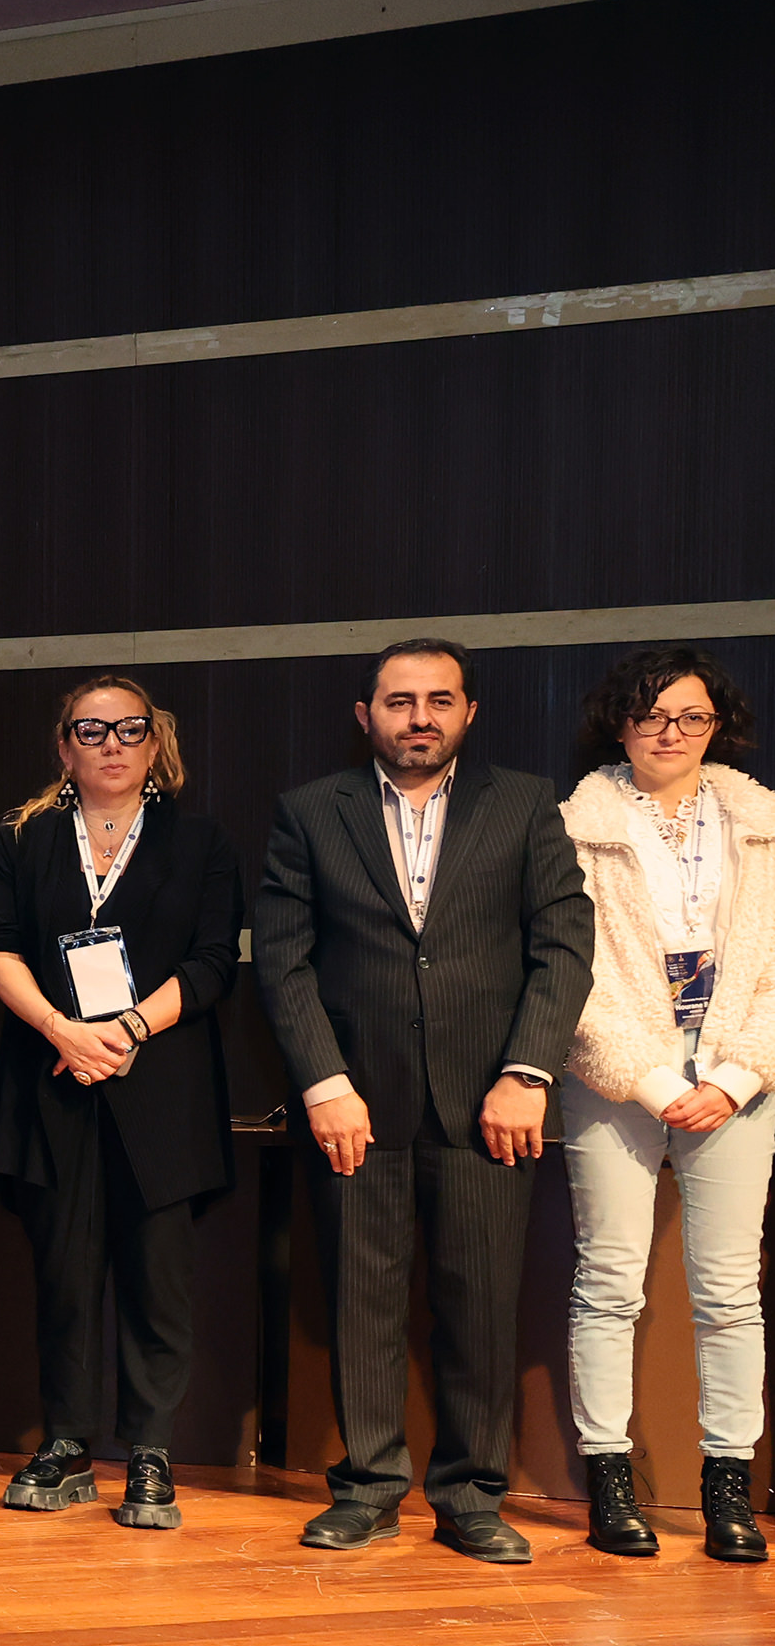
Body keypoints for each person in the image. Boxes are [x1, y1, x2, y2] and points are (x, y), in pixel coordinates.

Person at [252, 639, 595, 1565]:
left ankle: (472, 1497)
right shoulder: (309, 812)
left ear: (468, 712)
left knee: (479, 1306)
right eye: (400, 701)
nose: (420, 718)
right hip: (354, 1103)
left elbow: (564, 945)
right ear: (366, 714)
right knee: (359, 1304)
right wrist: (325, 1083)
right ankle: (367, 1489)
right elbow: (283, 958)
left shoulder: (524, 804)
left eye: (440, 700)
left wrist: (528, 1073)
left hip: (491, 1105)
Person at [0, 676, 242, 1530]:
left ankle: (151, 1448)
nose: (113, 744)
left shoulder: (198, 841)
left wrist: (124, 1029)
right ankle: (66, 1441)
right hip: (53, 1079)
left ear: (155, 742)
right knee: (63, 1276)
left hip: (160, 1087)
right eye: (92, 731)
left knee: (157, 1278)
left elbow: (212, 962)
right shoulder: (24, 839)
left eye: (130, 729)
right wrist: (63, 1029)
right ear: (65, 747)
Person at [552, 647, 774, 1562]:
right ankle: (609, 1478)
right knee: (610, 1279)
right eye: (651, 715)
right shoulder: (574, 826)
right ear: (620, 724)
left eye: (691, 716)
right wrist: (649, 1078)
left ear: (717, 725)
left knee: (729, 1290)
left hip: (734, 1070)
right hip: (616, 1069)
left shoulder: (761, 822)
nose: (671, 733)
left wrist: (735, 1076)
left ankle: (729, 1488)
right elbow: (569, 969)